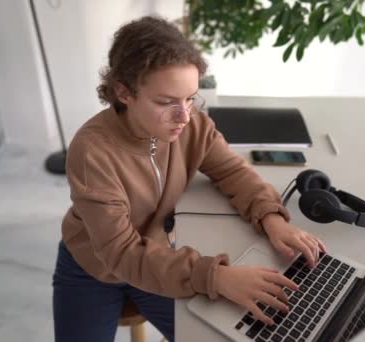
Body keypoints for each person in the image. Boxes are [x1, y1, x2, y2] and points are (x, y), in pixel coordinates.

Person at [52, 15, 326, 342]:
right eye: (166, 102)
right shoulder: (91, 152)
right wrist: (215, 276)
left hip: (161, 256)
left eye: (190, 98)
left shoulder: (191, 123)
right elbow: (121, 254)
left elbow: (232, 171)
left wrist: (270, 216)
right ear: (123, 92)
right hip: (92, 267)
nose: (183, 116)